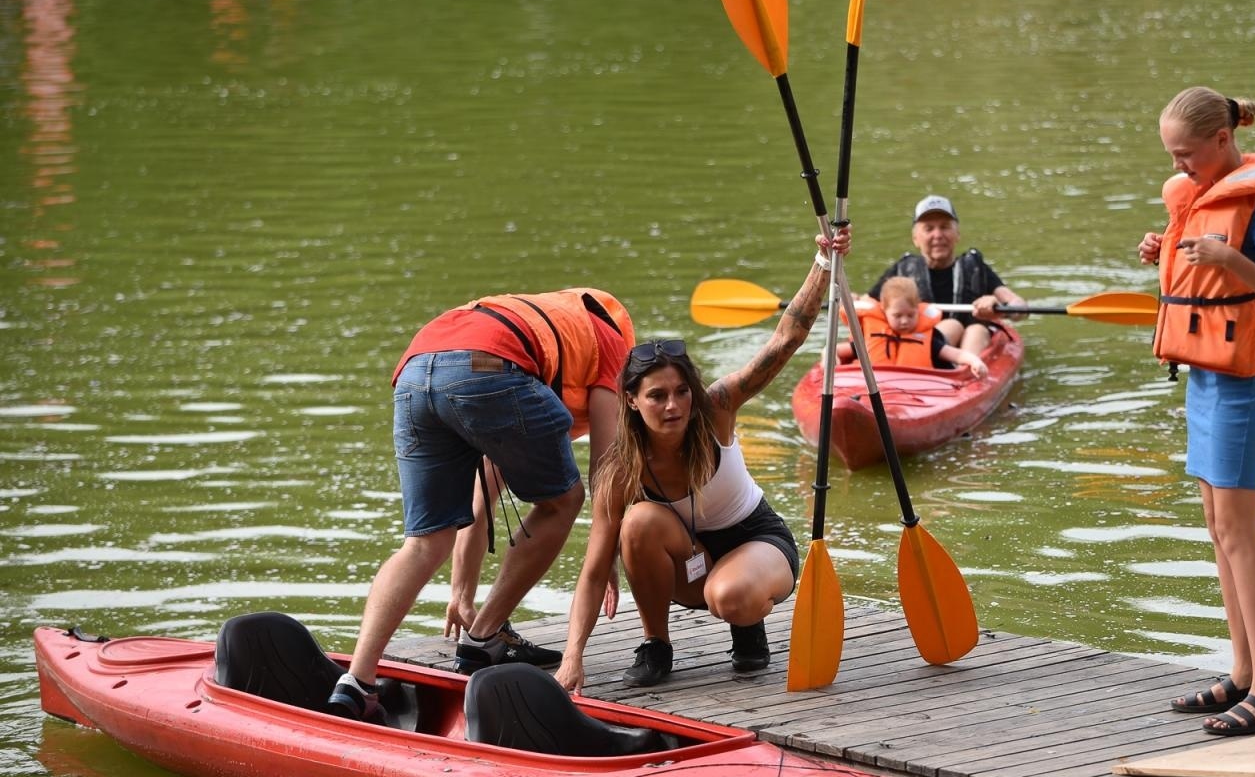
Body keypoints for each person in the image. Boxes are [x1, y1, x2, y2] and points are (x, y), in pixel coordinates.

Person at [554, 226, 851, 692]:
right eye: (657, 396)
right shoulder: (619, 468)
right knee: (637, 523)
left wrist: (824, 264)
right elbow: (594, 571)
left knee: (728, 595)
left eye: (680, 392)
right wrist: (572, 660)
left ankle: (747, 624)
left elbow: (785, 340)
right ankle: (656, 645)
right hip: (689, 559)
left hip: (757, 542)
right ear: (631, 401)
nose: (673, 406)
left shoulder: (715, 410)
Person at [326, 288, 633, 722]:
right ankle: (485, 637)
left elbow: (484, 488)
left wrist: (461, 593)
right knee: (564, 500)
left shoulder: (541, 327)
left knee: (422, 542)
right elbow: (608, 467)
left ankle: (356, 681)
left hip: (417, 367)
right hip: (486, 367)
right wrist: (608, 556)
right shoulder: (610, 339)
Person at [1138, 86, 1255, 738]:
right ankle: (1242, 675)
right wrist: (1169, 251)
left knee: (1241, 532)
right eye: (1171, 157)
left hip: (1242, 383)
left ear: (1220, 140)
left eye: (1186, 155)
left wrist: (1230, 259)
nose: (1180, 167)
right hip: (1204, 375)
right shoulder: (1198, 195)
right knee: (1217, 525)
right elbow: (1203, 277)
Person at [869, 194, 1025, 355]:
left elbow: (1019, 306)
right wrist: (851, 300)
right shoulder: (901, 271)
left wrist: (999, 307)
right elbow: (868, 305)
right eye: (929, 229)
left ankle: (965, 371)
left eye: (944, 227)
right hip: (918, 347)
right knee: (950, 326)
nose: (937, 235)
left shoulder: (975, 267)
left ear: (957, 234)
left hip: (969, 348)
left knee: (976, 330)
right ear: (915, 238)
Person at [839, 276, 989, 377]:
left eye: (911, 315)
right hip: (876, 386)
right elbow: (835, 350)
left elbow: (956, 355)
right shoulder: (868, 337)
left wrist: (974, 361)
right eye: (898, 316)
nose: (905, 321)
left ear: (918, 308)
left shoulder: (929, 340)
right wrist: (830, 361)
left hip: (915, 388)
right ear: (884, 309)